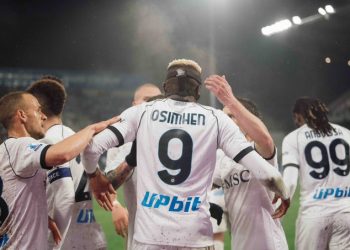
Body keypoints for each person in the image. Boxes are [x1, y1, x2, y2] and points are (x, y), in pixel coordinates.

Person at [83, 59, 290, 249]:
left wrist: (94, 176)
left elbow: (91, 148)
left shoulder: (141, 112)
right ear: (198, 91)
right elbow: (265, 171)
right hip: (195, 238)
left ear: (165, 88)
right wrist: (284, 191)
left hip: (149, 238)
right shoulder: (216, 118)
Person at [0, 91, 116, 249]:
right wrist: (91, 129)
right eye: (37, 110)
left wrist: (41, 216)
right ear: (22, 115)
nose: (43, 116)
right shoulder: (20, 146)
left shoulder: (5, 151)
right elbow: (62, 155)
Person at [205, 74, 288, 250]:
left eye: (232, 116)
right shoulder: (222, 158)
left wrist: (230, 100)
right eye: (224, 116)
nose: (225, 121)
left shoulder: (257, 152)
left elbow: (265, 140)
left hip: (270, 245)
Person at [27, 77, 107, 250]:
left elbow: (65, 196)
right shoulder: (79, 139)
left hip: (66, 241)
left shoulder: (49, 144)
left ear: (38, 111)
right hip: (91, 236)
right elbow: (100, 183)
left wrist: (51, 243)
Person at [282, 97, 350, 250]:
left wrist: (285, 199)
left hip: (314, 213)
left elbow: (290, 180)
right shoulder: (346, 134)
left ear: (298, 115)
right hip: (346, 212)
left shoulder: (294, 138)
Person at [105, 83, 161, 248]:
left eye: (158, 100)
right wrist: (115, 205)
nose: (152, 104)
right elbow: (106, 183)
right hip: (141, 239)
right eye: (147, 100)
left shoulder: (177, 140)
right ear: (134, 104)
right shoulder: (122, 142)